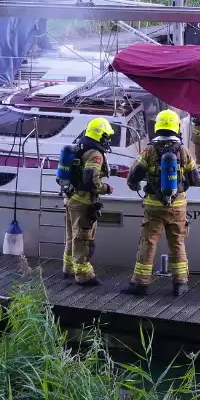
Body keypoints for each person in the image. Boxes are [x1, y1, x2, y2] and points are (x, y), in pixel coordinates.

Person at [121, 109, 198, 297]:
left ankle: (140, 284)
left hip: (154, 206)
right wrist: (181, 188)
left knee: (148, 243)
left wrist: (135, 185)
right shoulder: (183, 151)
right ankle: (180, 284)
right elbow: (195, 179)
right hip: (177, 206)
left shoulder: (148, 150)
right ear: (176, 127)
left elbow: (133, 177)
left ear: (157, 127)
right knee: (177, 243)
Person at [62, 117, 115, 287]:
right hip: (84, 202)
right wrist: (105, 188)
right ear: (100, 135)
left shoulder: (79, 146)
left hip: (71, 197)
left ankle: (69, 268)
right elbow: (91, 180)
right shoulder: (95, 153)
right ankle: (83, 275)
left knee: (72, 236)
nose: (108, 140)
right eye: (106, 136)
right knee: (83, 238)